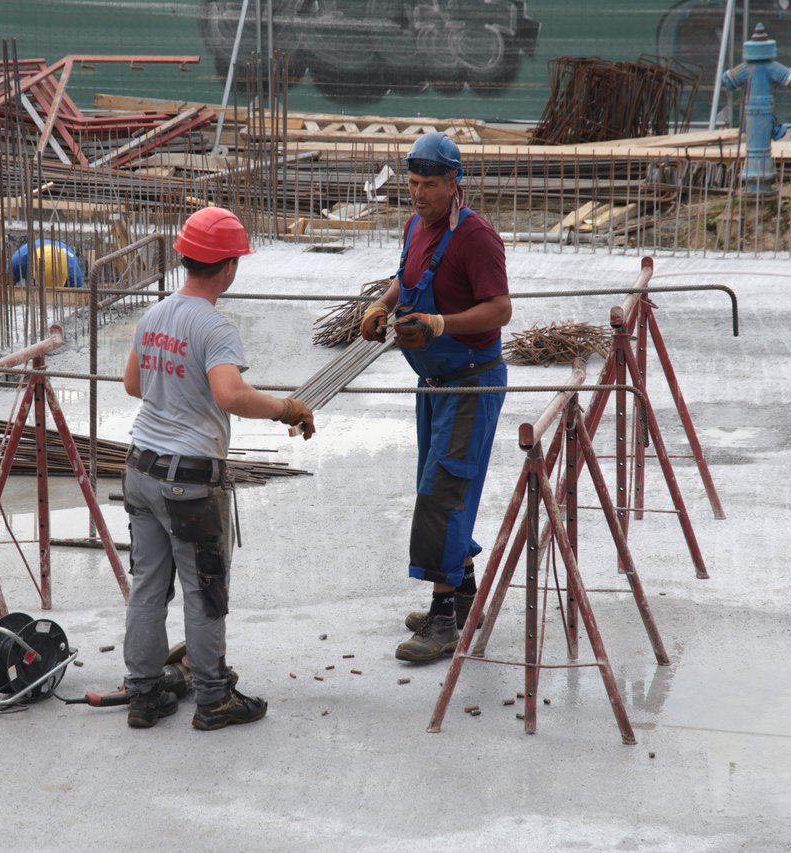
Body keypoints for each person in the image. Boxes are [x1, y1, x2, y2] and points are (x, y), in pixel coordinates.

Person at [121, 206, 315, 729]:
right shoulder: (215, 326)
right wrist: (287, 409)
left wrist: (175, 389)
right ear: (228, 267)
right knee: (205, 590)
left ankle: (144, 694)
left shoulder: (155, 314)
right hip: (187, 482)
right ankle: (212, 698)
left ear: (185, 258)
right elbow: (231, 394)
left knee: (147, 585)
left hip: (139, 469)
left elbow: (134, 385)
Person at [358, 132, 512, 663]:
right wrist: (380, 304)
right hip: (435, 384)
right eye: (413, 182)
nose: (418, 193)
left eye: (429, 185)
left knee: (443, 492)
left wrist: (442, 323)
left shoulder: (476, 238)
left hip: (471, 382)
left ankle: (443, 620)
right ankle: (464, 597)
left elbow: (499, 310)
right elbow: (407, 279)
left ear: (454, 184)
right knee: (439, 486)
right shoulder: (415, 227)